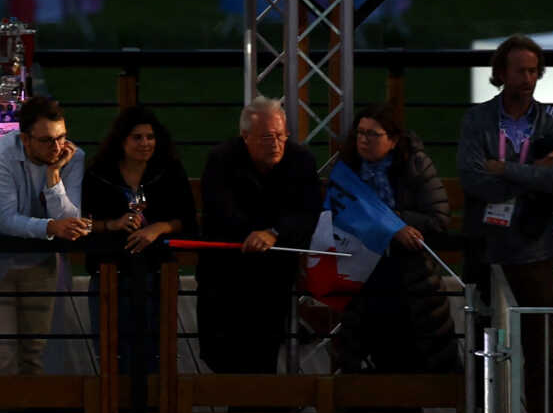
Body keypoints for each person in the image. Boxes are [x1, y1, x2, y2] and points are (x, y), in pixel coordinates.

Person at [460, 35, 553, 413]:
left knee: (541, 348)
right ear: (501, 73)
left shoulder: (552, 121)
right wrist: (532, 173)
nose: (527, 79)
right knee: (481, 339)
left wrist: (505, 170)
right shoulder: (477, 120)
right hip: (486, 246)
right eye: (519, 71)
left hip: (535, 245)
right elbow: (473, 179)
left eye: (533, 71)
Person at [195, 97, 321, 374]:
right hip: (225, 269)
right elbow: (220, 209)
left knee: (262, 354)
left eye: (280, 135)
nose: (276, 144)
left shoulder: (301, 160)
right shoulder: (221, 159)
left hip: (273, 273)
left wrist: (273, 233)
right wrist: (252, 233)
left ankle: (260, 410)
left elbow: (307, 212)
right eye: (266, 137)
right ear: (245, 136)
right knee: (220, 354)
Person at [325, 103, 453, 376]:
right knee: (357, 360)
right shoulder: (347, 168)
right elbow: (337, 215)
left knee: (408, 360)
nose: (363, 139)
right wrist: (390, 227)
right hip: (360, 275)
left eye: (373, 134)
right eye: (360, 132)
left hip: (409, 276)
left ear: (393, 140)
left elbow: (439, 217)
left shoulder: (415, 164)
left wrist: (399, 218)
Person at [0, 95, 88, 375]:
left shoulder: (72, 157)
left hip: (40, 263)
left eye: (62, 137)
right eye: (47, 140)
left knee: (34, 353)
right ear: (25, 139)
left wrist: (54, 176)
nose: (58, 147)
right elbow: (6, 220)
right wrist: (50, 227)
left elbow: (68, 220)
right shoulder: (0, 155)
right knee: (2, 354)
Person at [81, 106, 195, 381]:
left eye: (150, 137)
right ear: (122, 141)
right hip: (111, 272)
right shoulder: (99, 175)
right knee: (114, 351)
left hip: (158, 272)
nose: (145, 143)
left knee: (157, 349)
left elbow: (188, 220)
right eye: (137, 137)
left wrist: (160, 227)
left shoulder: (169, 172)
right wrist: (113, 224)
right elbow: (81, 223)